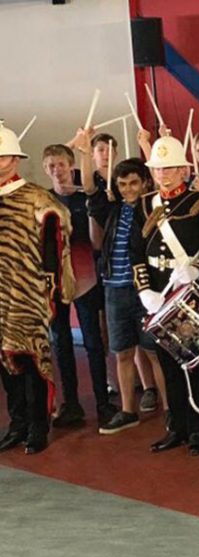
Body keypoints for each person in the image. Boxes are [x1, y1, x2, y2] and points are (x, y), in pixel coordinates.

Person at [131, 135, 199, 456]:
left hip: (189, 293)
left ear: (183, 170)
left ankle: (196, 430)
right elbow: (136, 252)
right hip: (158, 294)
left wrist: (198, 270)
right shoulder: (143, 205)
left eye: (169, 168)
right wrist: (144, 289)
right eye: (157, 169)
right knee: (167, 365)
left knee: (192, 364)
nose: (163, 174)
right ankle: (176, 427)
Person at [0, 120, 75, 455]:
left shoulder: (37, 199)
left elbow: (54, 247)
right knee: (5, 363)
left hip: (28, 296)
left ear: (15, 160)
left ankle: (37, 426)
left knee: (32, 361)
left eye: (3, 157)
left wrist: (51, 292)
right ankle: (17, 423)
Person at [90, 158, 168, 434]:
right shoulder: (113, 210)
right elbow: (91, 194)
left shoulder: (151, 209)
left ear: (145, 182)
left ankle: (170, 409)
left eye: (133, 183)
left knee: (154, 351)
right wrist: (86, 153)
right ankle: (127, 410)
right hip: (114, 288)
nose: (128, 189)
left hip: (144, 290)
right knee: (122, 352)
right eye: (122, 184)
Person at [41, 142, 113, 427]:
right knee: (61, 343)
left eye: (61, 164)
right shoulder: (43, 201)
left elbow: (97, 242)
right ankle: (71, 404)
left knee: (93, 341)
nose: (57, 170)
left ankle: (103, 402)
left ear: (71, 166)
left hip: (86, 278)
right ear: (45, 170)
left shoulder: (87, 198)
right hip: (55, 281)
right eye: (51, 166)